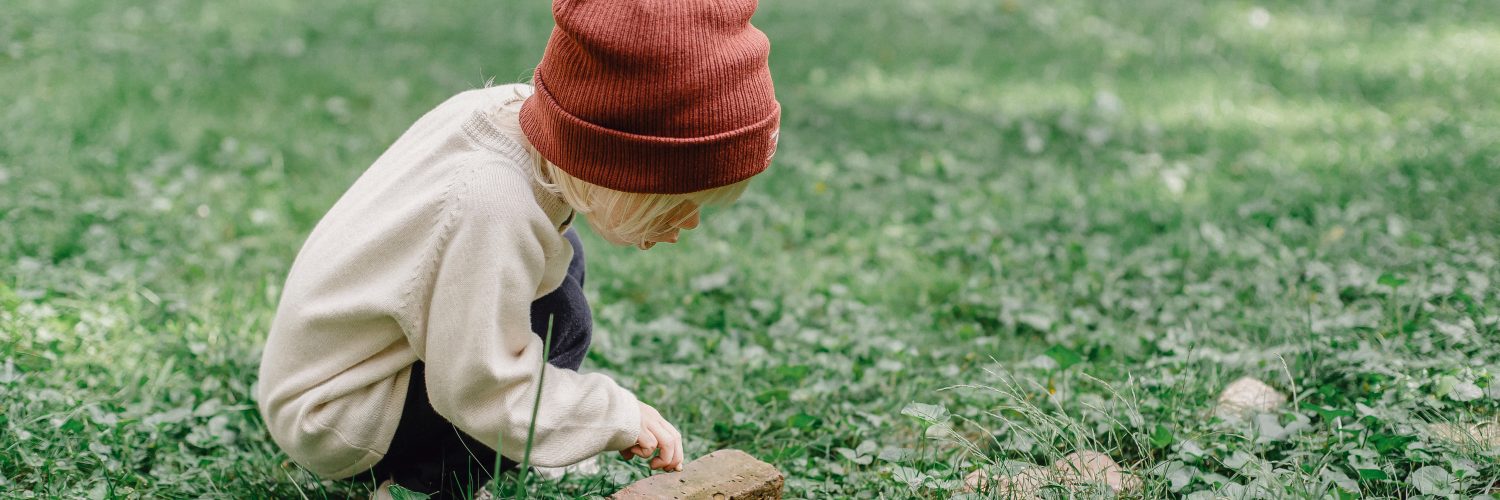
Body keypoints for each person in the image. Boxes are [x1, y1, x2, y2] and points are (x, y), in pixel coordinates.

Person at [253, 0, 780, 497]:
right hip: (335, 413)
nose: (688, 223)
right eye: (676, 201)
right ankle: (423, 487)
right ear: (618, 161)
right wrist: (609, 416)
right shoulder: (491, 205)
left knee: (559, 263)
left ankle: (525, 434)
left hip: (339, 372)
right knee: (561, 319)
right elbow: (480, 388)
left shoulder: (516, 122)